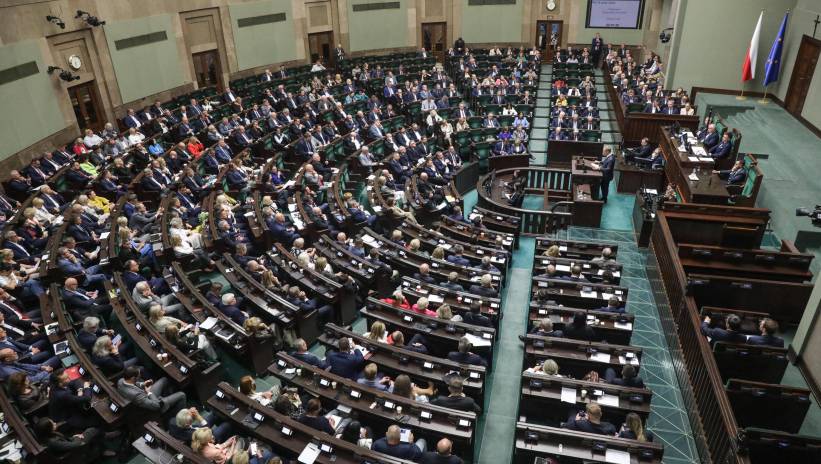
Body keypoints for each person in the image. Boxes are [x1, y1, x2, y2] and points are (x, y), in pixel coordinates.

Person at [117, 366, 187, 416]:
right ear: (132, 378)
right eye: (139, 375)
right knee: (182, 394)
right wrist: (149, 392)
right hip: (150, 405)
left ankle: (168, 402)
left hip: (145, 395)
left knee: (164, 379)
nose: (140, 376)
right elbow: (156, 406)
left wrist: (143, 384)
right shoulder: (136, 395)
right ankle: (179, 416)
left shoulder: (121, 381)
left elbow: (133, 384)